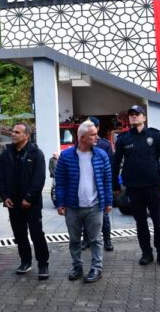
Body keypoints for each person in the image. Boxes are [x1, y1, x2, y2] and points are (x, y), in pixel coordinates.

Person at [112, 105, 160, 266]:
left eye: (137, 114)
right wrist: (115, 184)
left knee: (159, 222)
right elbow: (116, 162)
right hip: (134, 187)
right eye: (131, 115)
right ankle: (146, 253)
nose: (134, 117)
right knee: (140, 223)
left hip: (153, 185)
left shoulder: (154, 135)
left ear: (144, 117)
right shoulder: (123, 139)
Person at [54, 120, 113, 283]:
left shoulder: (101, 154)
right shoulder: (66, 156)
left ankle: (96, 268)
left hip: (95, 206)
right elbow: (60, 181)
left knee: (95, 239)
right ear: (82, 137)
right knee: (74, 240)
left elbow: (108, 180)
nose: (97, 137)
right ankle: (77, 266)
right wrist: (60, 203)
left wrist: (108, 202)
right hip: (72, 206)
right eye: (93, 134)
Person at [0, 122, 50, 280]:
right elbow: (1, 177)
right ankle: (25, 261)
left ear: (26, 135)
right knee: (19, 234)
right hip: (13, 203)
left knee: (36, 233)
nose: (13, 134)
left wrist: (29, 198)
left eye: (17, 132)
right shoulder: (6, 154)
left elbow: (39, 179)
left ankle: (43, 263)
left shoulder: (36, 153)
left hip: (31, 203)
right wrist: (5, 196)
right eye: (12, 131)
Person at [82, 116, 114, 252]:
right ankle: (86, 240)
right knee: (83, 215)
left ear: (98, 128)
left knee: (103, 216)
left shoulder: (105, 145)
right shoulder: (81, 144)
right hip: (85, 185)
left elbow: (110, 168)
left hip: (99, 185)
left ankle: (107, 240)